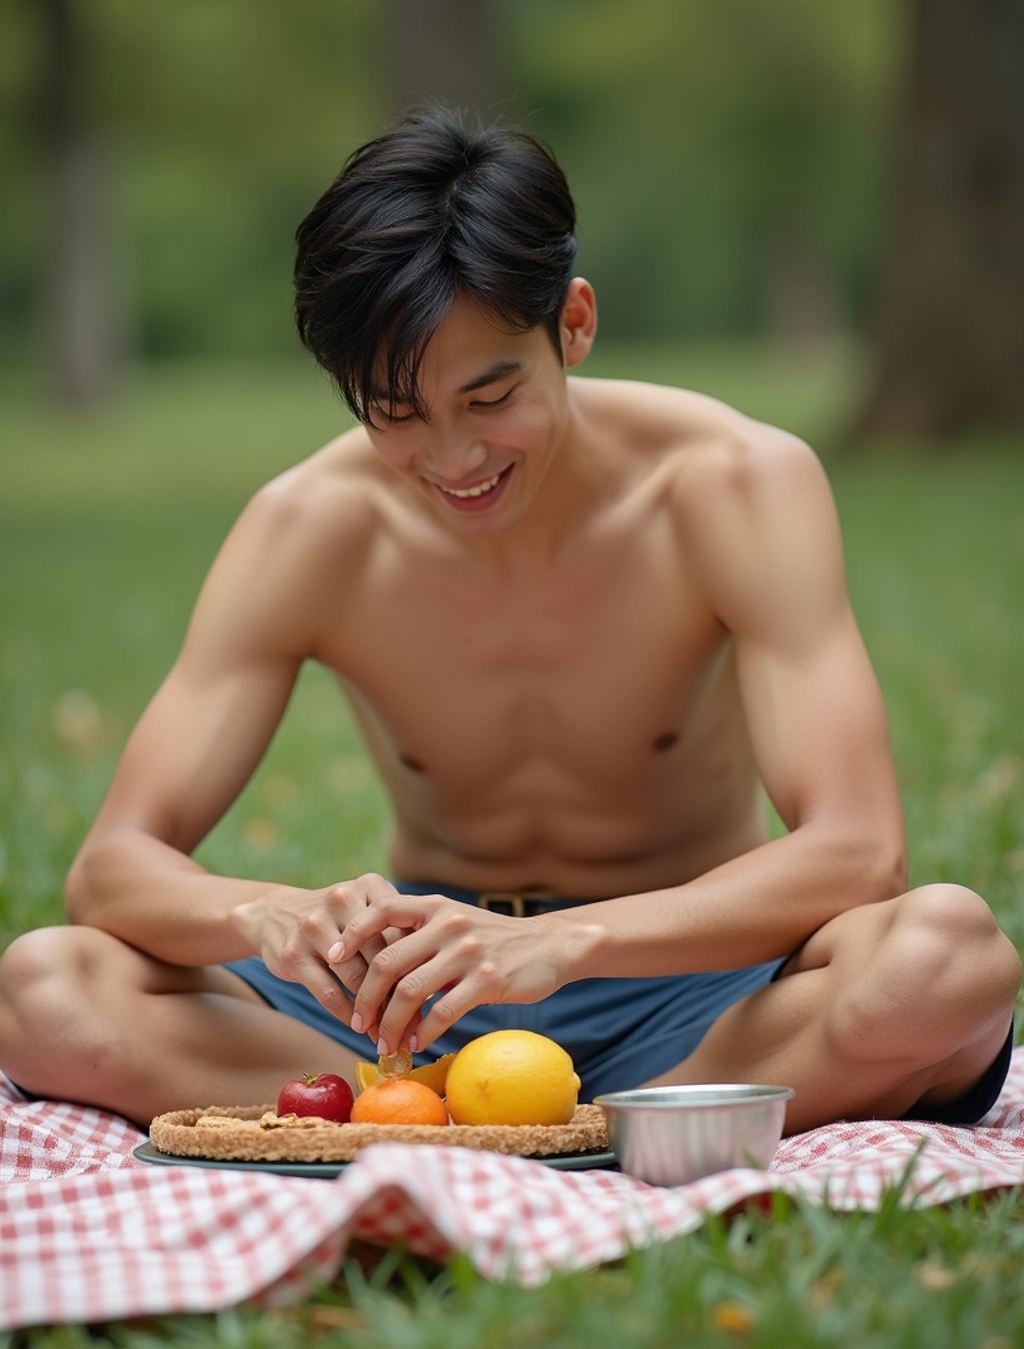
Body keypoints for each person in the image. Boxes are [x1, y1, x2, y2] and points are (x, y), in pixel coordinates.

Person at [0, 108, 1018, 1135]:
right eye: (396, 412)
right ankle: (572, 1124)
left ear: (572, 324)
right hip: (403, 1004)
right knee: (46, 988)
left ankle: (479, 1124)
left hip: (701, 983)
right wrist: (264, 915)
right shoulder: (309, 527)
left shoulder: (735, 486)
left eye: (490, 397)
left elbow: (856, 852)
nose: (452, 459)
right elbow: (113, 865)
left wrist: (571, 943)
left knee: (946, 959)